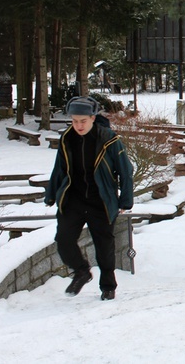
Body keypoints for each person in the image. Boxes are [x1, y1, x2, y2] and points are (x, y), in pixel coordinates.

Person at [44, 96, 134, 301]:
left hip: (100, 200)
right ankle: (82, 271)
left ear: (93, 118)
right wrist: (51, 194)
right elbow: (59, 168)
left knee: (104, 246)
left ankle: (108, 286)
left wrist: (125, 201)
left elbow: (125, 171)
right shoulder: (67, 138)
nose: (78, 125)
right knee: (63, 239)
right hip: (73, 198)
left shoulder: (110, 139)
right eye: (75, 121)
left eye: (83, 121)